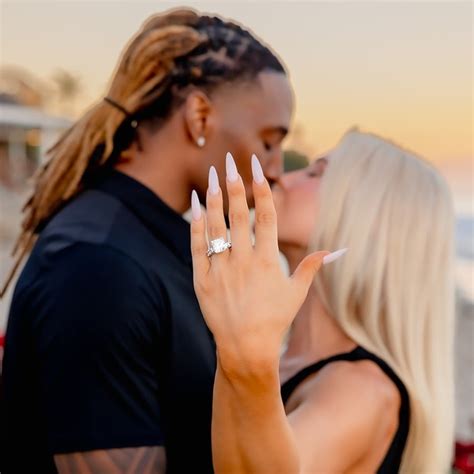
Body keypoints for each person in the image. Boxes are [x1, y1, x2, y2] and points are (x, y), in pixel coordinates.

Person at [0, 8, 293, 474]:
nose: (276, 169)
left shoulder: (150, 242)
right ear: (200, 117)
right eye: (269, 142)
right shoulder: (99, 265)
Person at [190, 130, 455, 473]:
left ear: (367, 219)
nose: (281, 177)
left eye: (315, 173)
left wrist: (243, 348)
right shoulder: (282, 360)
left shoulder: (362, 391)